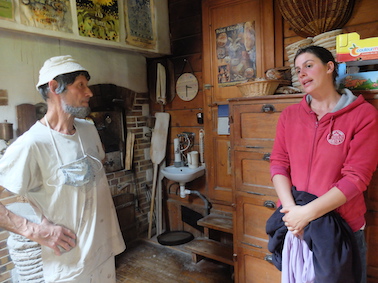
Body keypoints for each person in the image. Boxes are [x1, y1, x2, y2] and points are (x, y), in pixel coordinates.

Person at [0, 55, 126, 282]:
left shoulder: (88, 129)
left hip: (104, 253)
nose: (89, 92)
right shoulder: (31, 144)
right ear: (54, 87)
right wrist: (33, 230)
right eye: (80, 86)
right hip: (69, 265)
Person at [269, 45, 378, 282]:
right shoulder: (289, 116)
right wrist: (291, 212)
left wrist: (306, 213)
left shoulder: (363, 115)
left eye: (309, 65)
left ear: (330, 67)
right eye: (298, 70)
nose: (302, 74)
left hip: (341, 226)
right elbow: (278, 163)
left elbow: (356, 177)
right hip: (296, 225)